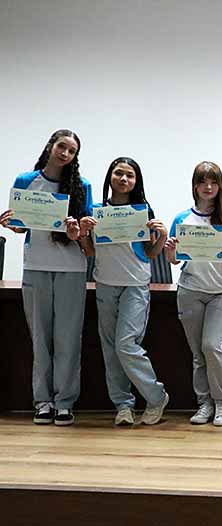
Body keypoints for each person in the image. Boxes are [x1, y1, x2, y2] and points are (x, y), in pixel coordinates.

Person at [1, 129, 92, 426]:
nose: (65, 154)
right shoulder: (26, 180)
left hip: (72, 268)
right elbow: (22, 225)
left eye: (71, 151)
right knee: (40, 338)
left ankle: (64, 402)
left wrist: (78, 231)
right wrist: (12, 225)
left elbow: (86, 236)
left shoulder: (82, 186)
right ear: (51, 146)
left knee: (68, 339)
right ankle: (43, 402)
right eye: (61, 146)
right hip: (36, 265)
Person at [80, 157, 170, 426]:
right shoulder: (97, 211)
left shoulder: (143, 211)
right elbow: (90, 252)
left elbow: (151, 253)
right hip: (105, 284)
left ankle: (156, 397)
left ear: (136, 181)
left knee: (126, 345)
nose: (123, 179)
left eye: (129, 175)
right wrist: (84, 233)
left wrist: (163, 236)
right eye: (118, 173)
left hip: (135, 284)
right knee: (110, 349)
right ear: (110, 177)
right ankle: (123, 405)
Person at [165, 161, 222, 426]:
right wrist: (170, 249)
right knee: (198, 353)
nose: (208, 187)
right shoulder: (182, 219)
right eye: (203, 182)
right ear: (195, 186)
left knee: (212, 346)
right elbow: (174, 260)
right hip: (190, 290)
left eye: (213, 182)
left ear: (220, 186)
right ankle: (205, 404)